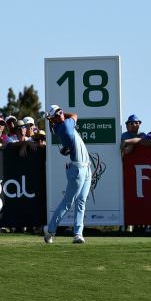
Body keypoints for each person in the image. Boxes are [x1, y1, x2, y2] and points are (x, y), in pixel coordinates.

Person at [43, 105, 91, 245]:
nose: (61, 115)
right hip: (77, 169)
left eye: (61, 111)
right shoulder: (64, 126)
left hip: (86, 168)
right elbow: (74, 115)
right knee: (67, 203)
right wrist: (54, 119)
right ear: (54, 119)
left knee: (81, 202)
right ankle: (50, 230)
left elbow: (65, 149)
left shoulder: (59, 127)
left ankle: (78, 234)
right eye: (57, 115)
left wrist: (52, 119)